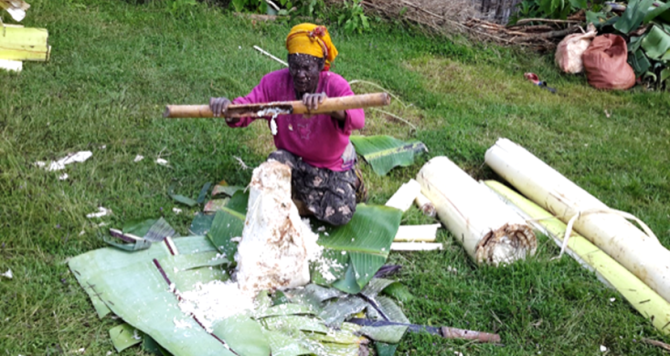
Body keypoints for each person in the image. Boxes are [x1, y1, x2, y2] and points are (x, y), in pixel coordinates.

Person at [209, 23, 366, 226]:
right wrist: (229, 109)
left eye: (307, 68)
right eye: (295, 66)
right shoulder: (274, 83)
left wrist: (329, 107)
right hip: (294, 159)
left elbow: (358, 118)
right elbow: (248, 108)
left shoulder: (334, 85)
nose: (300, 74)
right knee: (273, 166)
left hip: (331, 166)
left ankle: (344, 184)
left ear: (320, 66)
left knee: (340, 214)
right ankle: (304, 201)